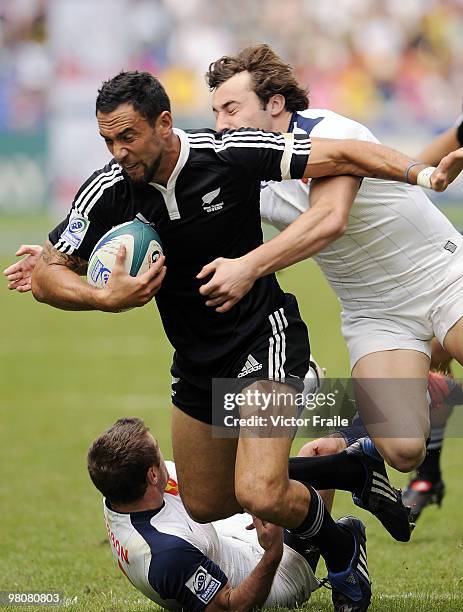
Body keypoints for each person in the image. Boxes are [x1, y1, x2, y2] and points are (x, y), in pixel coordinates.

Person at [13, 69, 451, 609]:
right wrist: (105, 297)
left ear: (164, 124)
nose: (117, 150)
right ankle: (347, 485)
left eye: (127, 136)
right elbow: (48, 273)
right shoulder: (108, 189)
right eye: (108, 139)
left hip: (263, 341)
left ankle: (339, 548)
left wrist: (421, 171)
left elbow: (343, 155)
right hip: (197, 363)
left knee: (260, 490)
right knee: (206, 501)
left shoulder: (227, 153)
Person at [196, 44, 463, 481]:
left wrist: (247, 266)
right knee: (403, 449)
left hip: (443, 276)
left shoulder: (329, 132)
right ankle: (351, 430)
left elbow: (329, 219)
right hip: (375, 314)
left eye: (231, 108)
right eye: (215, 112)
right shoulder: (242, 170)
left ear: (275, 104)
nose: (221, 124)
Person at [89, 417, 404, 610]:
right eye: (158, 453)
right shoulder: (165, 553)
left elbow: (224, 480)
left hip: (230, 536)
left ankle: (354, 471)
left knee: (283, 470)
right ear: (151, 477)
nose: (165, 456)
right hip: (272, 573)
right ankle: (344, 547)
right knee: (289, 482)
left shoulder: (121, 491)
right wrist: (271, 552)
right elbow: (230, 606)